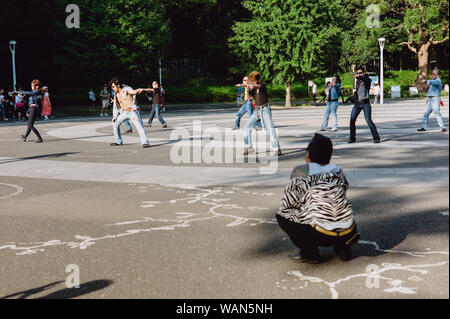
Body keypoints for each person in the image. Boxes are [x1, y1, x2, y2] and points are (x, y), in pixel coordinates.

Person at [276, 133, 360, 263]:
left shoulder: (300, 171)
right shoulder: (337, 170)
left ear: (307, 154)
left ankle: (310, 253)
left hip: (321, 234)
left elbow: (287, 204)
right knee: (337, 208)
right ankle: (343, 249)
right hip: (348, 231)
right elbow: (344, 189)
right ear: (329, 155)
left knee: (282, 215)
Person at [242, 71, 281, 156]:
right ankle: (248, 147)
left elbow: (257, 86)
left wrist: (251, 85)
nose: (252, 82)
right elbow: (248, 99)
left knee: (270, 129)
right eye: (251, 81)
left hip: (265, 109)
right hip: (257, 111)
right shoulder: (252, 88)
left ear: (258, 80)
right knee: (246, 127)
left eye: (254, 81)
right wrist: (247, 89)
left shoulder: (262, 85)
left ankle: (276, 148)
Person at [109, 78, 150, 148]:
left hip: (132, 111)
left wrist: (138, 91)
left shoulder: (126, 89)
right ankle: (118, 141)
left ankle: (145, 142)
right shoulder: (116, 94)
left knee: (138, 126)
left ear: (118, 85)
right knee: (115, 123)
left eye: (113, 86)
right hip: (124, 112)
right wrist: (115, 116)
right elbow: (117, 105)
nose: (112, 88)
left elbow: (132, 91)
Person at [348, 68, 380, 143]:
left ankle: (376, 137)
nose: (359, 74)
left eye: (360, 73)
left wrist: (358, 76)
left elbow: (365, 79)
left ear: (364, 73)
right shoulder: (358, 82)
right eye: (358, 73)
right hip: (357, 102)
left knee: (368, 120)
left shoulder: (367, 80)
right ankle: (352, 138)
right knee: (352, 120)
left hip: (365, 102)